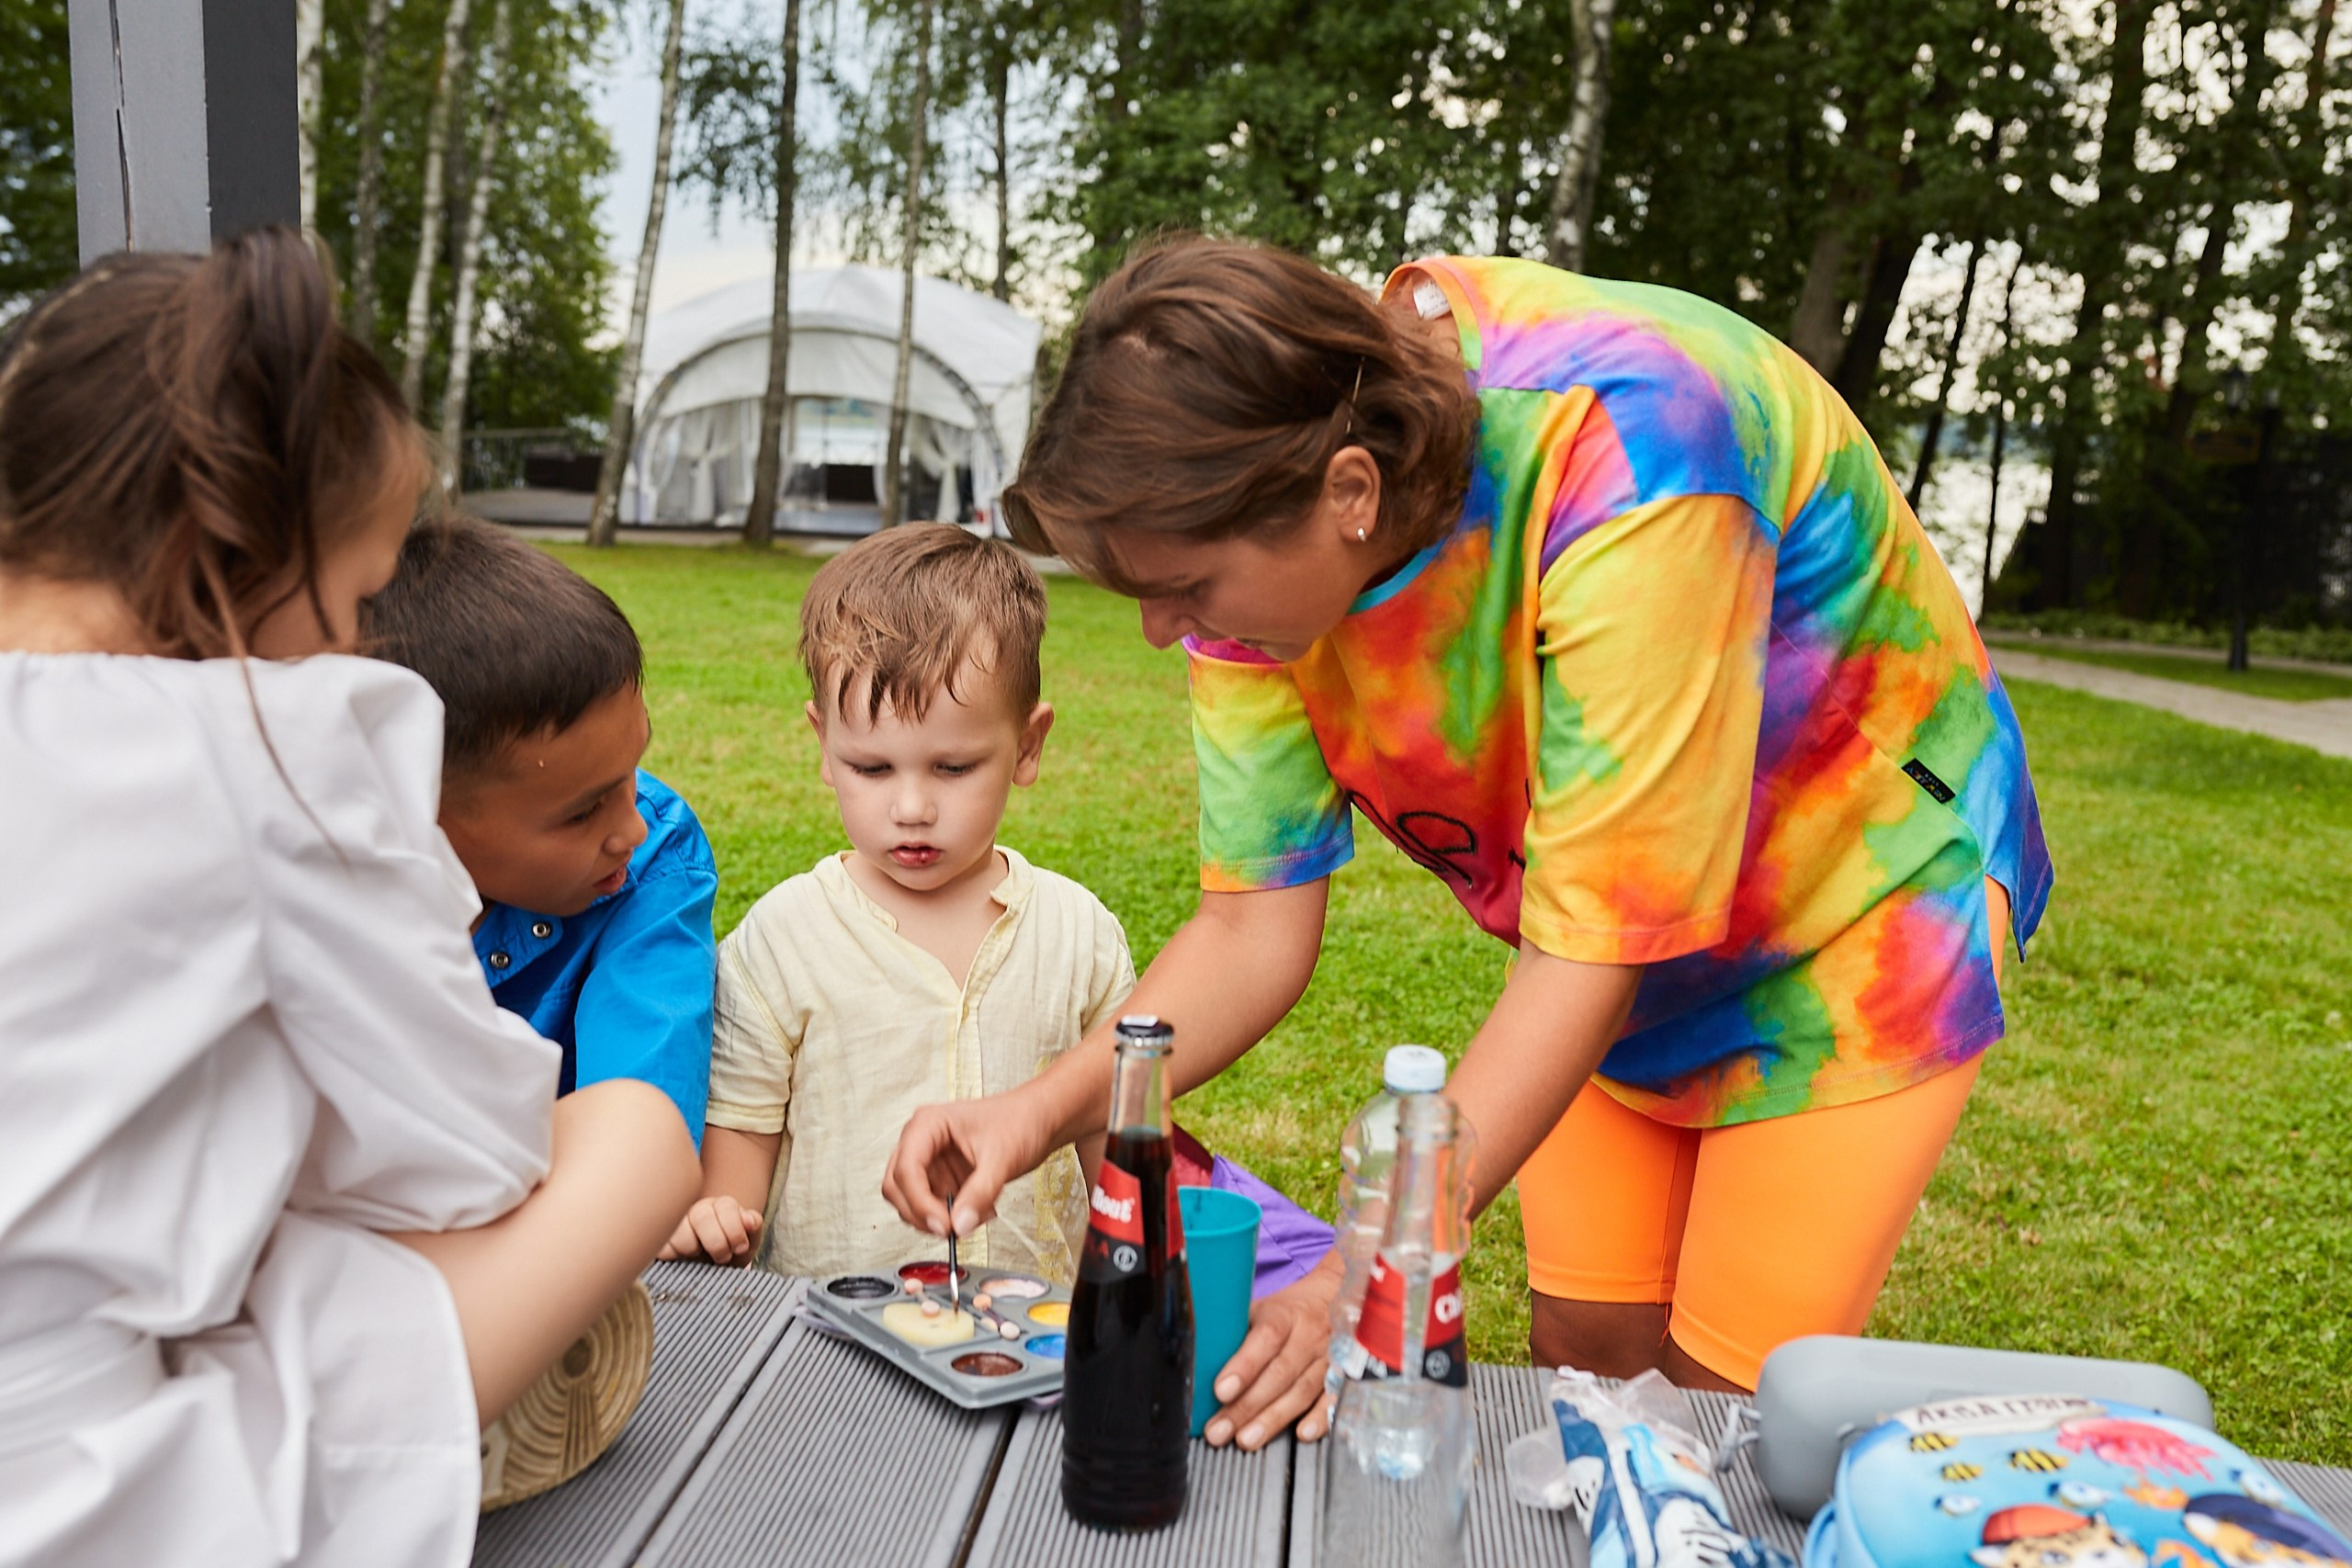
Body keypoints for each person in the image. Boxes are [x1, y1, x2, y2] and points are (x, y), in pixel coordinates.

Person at [880, 240, 2053, 1450]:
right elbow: (1250, 926)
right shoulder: (1248, 541)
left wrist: (1375, 1255)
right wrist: (1040, 1109)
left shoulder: (1639, 455)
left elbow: (1595, 956)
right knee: (1587, 1367)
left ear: (1348, 491)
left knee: (1721, 1419)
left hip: (1854, 924)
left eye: (1186, 585)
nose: (1156, 629)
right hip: (1605, 947)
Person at [0, 231, 696, 1566]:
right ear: (233, 552)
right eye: (364, 594)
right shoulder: (261, 742)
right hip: (85, 1492)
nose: (362, 643)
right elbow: (471, 1151)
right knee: (628, 1134)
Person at [662, 525, 1336, 1295]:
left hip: (1038, 1337)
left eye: (953, 766)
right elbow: (736, 1168)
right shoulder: (780, 943)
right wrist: (715, 1223)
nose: (911, 806)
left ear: (1027, 745)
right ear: (823, 744)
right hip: (835, 1342)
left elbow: (1112, 1145)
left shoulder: (1078, 935)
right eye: (871, 767)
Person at [361, 513, 719, 1147]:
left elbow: (640, 1138)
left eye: (632, 770)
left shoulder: (655, 860)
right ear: (420, 812)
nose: (630, 827)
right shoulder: (329, 880)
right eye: (583, 812)